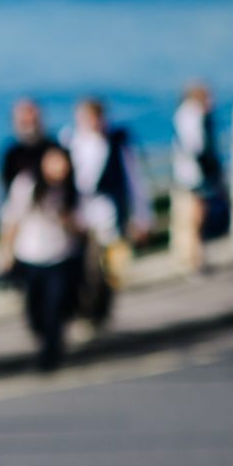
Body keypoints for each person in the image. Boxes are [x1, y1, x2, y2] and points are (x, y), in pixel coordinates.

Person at [60, 98, 150, 328]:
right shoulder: (70, 143)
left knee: (105, 270)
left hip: (108, 217)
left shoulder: (117, 143)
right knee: (82, 269)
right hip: (80, 218)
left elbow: (134, 182)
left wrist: (142, 217)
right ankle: (86, 312)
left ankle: (98, 314)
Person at [0, 144, 84, 372]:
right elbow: (11, 220)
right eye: (54, 161)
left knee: (56, 307)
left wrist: (68, 219)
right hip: (30, 255)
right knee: (33, 310)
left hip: (61, 255)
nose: (59, 167)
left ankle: (50, 355)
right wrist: (5, 252)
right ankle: (45, 342)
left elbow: (82, 226)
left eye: (63, 162)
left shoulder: (71, 188)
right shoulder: (26, 183)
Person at [171, 81, 226, 274]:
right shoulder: (193, 115)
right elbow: (198, 148)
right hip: (195, 176)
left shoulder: (183, 114)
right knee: (195, 218)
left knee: (188, 218)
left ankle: (190, 257)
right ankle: (194, 260)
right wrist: (213, 172)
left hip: (186, 174)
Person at [1, 97, 51, 194]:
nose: (30, 126)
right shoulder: (11, 153)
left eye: (33, 121)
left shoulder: (52, 150)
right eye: (25, 122)